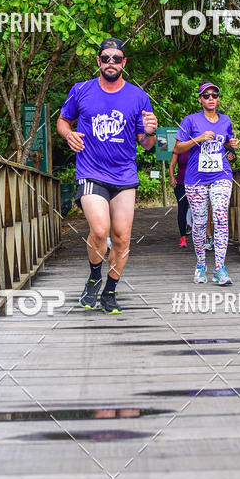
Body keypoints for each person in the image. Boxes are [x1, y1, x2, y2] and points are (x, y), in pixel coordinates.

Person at [56, 37, 158, 314]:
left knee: (122, 237)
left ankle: (110, 291)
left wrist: (150, 132)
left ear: (124, 63)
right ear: (98, 61)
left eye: (116, 58)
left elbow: (145, 144)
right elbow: (63, 120)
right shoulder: (81, 90)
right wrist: (68, 134)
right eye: (106, 58)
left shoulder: (138, 96)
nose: (111, 62)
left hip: (124, 175)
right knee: (100, 230)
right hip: (90, 171)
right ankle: (93, 277)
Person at [173, 82, 239, 285]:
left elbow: (227, 143)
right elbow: (178, 148)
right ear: (200, 99)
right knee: (200, 223)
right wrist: (198, 138)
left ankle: (220, 268)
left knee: (220, 217)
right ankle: (201, 264)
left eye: (215, 95)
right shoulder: (190, 120)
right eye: (206, 95)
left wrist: (231, 145)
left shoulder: (225, 120)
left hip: (221, 175)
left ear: (218, 99)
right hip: (196, 178)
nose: (211, 98)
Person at [169, 149, 190, 247]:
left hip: (196, 183)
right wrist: (172, 177)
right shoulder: (179, 147)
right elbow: (172, 164)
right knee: (182, 210)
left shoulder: (197, 145)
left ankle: (203, 237)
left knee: (199, 211)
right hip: (181, 184)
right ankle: (183, 238)